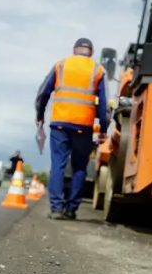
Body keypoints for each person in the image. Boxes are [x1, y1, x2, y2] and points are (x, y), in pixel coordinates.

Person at [35, 38, 108, 220]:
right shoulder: (98, 70)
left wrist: (40, 115)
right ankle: (71, 209)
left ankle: (57, 209)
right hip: (84, 125)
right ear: (90, 52)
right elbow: (104, 105)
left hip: (60, 123)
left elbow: (43, 92)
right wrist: (104, 129)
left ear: (74, 49)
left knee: (58, 165)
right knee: (79, 167)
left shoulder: (61, 65)